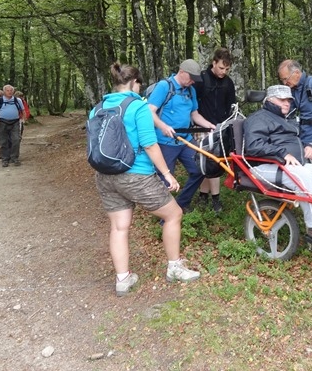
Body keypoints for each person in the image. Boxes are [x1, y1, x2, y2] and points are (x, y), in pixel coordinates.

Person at [92, 62, 200, 297]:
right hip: (136, 175)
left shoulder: (98, 107)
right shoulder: (137, 106)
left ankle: (122, 279)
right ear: (135, 83)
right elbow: (150, 144)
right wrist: (167, 174)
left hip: (105, 175)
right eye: (140, 84)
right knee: (174, 214)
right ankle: (174, 268)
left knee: (119, 227)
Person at [242, 85, 312, 247]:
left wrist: (309, 147)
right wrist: (283, 154)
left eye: (289, 100)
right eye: (282, 100)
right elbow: (254, 146)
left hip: (290, 166)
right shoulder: (258, 119)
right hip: (263, 167)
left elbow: (294, 140)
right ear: (270, 100)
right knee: (302, 174)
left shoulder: (285, 119)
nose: (287, 103)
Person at [147, 59, 216, 213]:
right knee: (166, 180)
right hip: (165, 141)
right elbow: (149, 111)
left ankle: (180, 204)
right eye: (191, 78)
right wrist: (163, 126)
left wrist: (210, 126)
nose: (192, 82)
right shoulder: (164, 86)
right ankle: (165, 215)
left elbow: (195, 114)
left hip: (185, 140)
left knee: (200, 169)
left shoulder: (190, 90)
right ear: (182, 72)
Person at [194, 48, 237, 213]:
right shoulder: (202, 80)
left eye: (227, 69)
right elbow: (193, 105)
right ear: (214, 62)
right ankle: (212, 199)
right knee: (207, 163)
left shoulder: (228, 83)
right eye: (221, 68)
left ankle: (207, 197)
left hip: (220, 128)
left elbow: (231, 106)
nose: (223, 72)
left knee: (214, 162)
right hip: (201, 127)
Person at [0, 84, 26, 167]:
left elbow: (23, 110)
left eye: (11, 90)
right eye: (7, 90)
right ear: (4, 91)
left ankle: (14, 158)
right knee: (3, 141)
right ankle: (5, 159)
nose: (10, 92)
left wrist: (23, 119)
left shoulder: (18, 100)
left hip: (15, 122)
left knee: (16, 139)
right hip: (2, 122)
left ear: (13, 91)